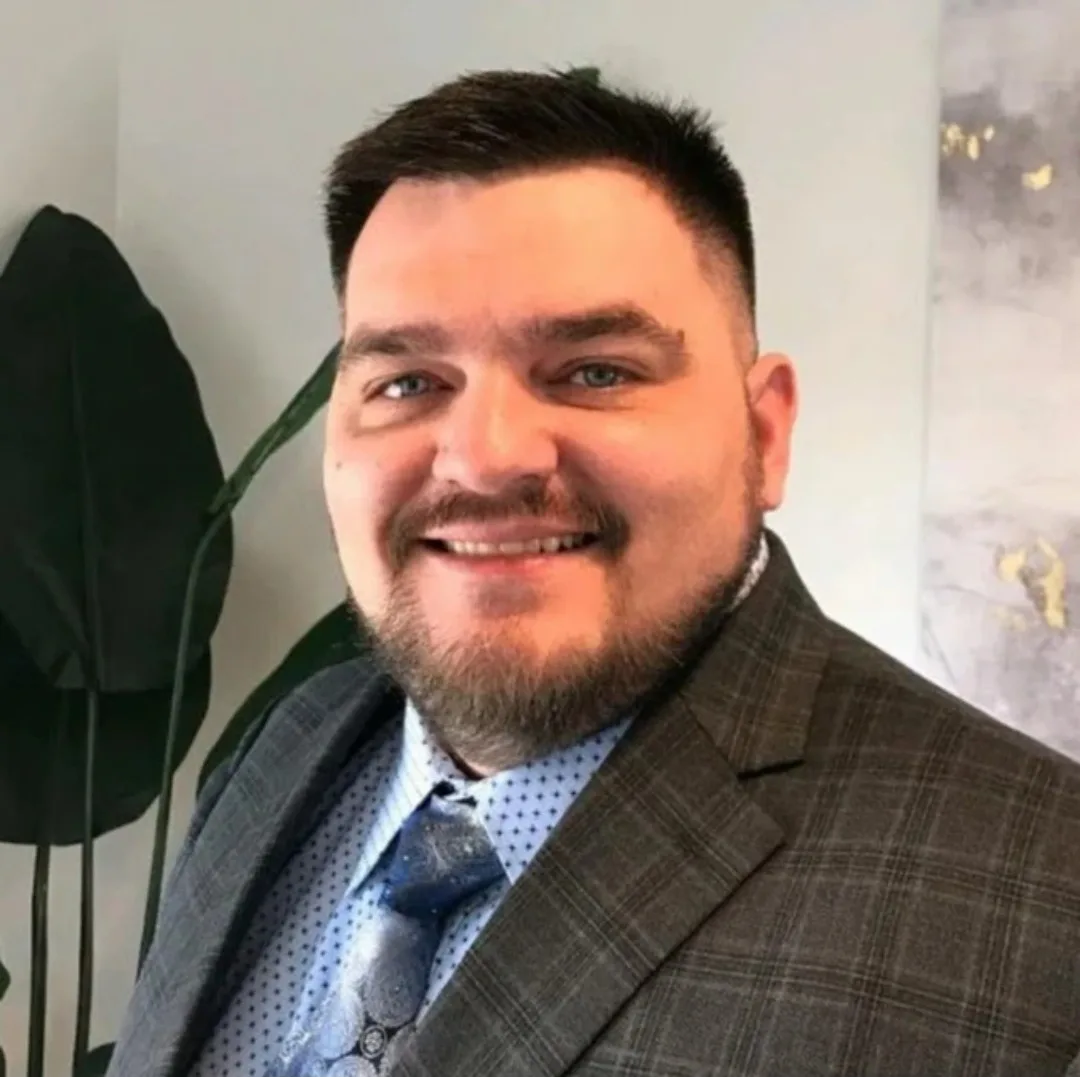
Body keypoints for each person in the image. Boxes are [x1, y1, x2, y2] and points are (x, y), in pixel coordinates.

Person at [107, 69, 1080, 1077]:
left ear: (764, 433)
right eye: (407, 382)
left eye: (595, 371)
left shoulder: (1046, 909)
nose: (484, 458)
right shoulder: (286, 746)